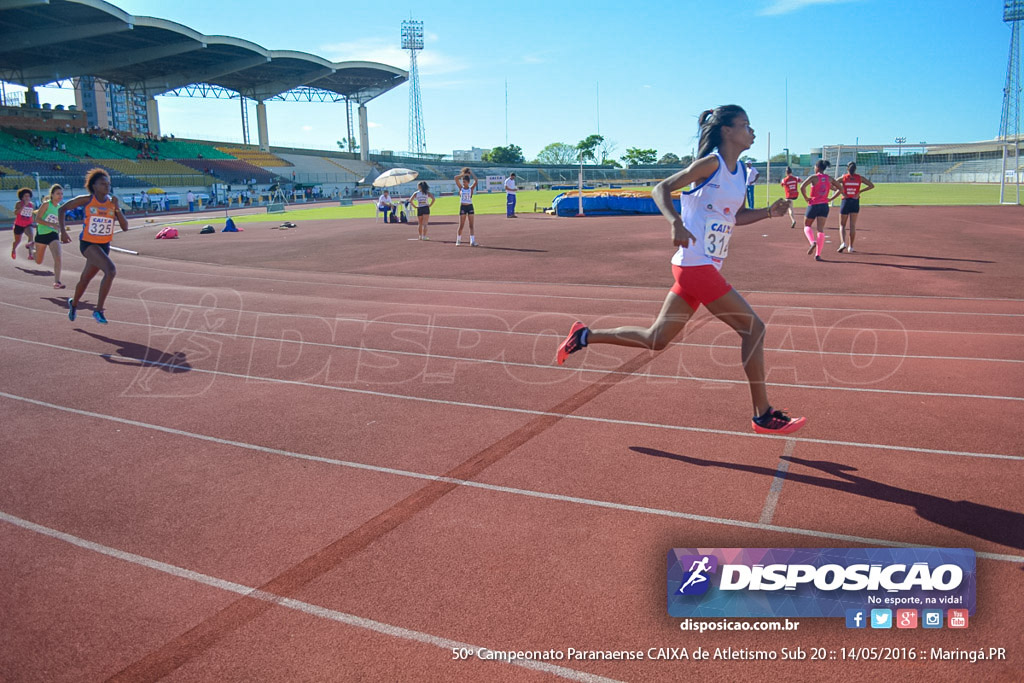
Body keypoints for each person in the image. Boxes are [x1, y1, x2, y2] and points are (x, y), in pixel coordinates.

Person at [555, 105, 806, 435]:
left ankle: (584, 335)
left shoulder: (742, 172)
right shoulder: (711, 164)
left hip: (697, 267)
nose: (752, 131)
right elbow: (661, 189)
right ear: (727, 131)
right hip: (695, 265)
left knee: (656, 338)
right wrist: (675, 222)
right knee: (753, 329)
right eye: (746, 125)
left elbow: (735, 217)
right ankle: (762, 414)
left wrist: (768, 213)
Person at [58, 168, 129, 324]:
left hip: (104, 246)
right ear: (94, 186)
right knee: (110, 271)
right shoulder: (86, 200)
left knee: (85, 279)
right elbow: (62, 209)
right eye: (103, 184)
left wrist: (117, 208)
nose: (106, 186)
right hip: (88, 244)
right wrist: (62, 232)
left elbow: (125, 227)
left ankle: (74, 303)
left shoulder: (112, 204)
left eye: (108, 184)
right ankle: (98, 310)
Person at [799, 159, 842, 262]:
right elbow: (840, 189)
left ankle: (812, 242)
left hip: (813, 204)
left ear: (817, 167)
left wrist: (806, 197)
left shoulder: (813, 178)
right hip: (824, 206)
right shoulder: (829, 178)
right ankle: (818, 254)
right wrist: (831, 199)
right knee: (820, 229)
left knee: (807, 225)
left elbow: (802, 186)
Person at [31, 184, 66, 289]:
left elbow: (58, 223)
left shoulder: (60, 208)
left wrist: (60, 229)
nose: (60, 196)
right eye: (58, 193)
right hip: (42, 234)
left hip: (53, 235)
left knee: (58, 257)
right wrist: (51, 224)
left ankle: (57, 282)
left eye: (62, 194)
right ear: (52, 195)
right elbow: (37, 219)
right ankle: (31, 249)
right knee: (38, 261)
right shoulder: (46, 204)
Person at [835, 162, 874, 254]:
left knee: (842, 225)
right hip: (855, 201)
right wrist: (860, 191)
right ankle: (851, 247)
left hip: (845, 201)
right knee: (852, 225)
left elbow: (832, 184)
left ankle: (843, 243)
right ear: (855, 169)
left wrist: (842, 191)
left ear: (847, 169)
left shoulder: (843, 178)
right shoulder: (859, 178)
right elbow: (871, 185)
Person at [454, 167, 479, 246]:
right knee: (461, 224)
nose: (463, 183)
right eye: (463, 182)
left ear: (468, 182)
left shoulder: (471, 189)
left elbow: (476, 180)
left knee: (471, 225)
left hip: (470, 207)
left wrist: (471, 173)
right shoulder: (461, 188)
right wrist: (463, 174)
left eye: (465, 182)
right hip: (463, 207)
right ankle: (458, 240)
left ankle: (472, 241)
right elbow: (456, 178)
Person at [11, 188, 35, 260]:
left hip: (28, 224)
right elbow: (15, 213)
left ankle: (30, 254)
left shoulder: (32, 205)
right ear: (22, 197)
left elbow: (31, 214)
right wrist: (23, 206)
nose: (27, 198)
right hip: (19, 224)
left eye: (28, 196)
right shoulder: (19, 204)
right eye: (25, 196)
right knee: (17, 241)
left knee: (31, 235)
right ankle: (13, 249)